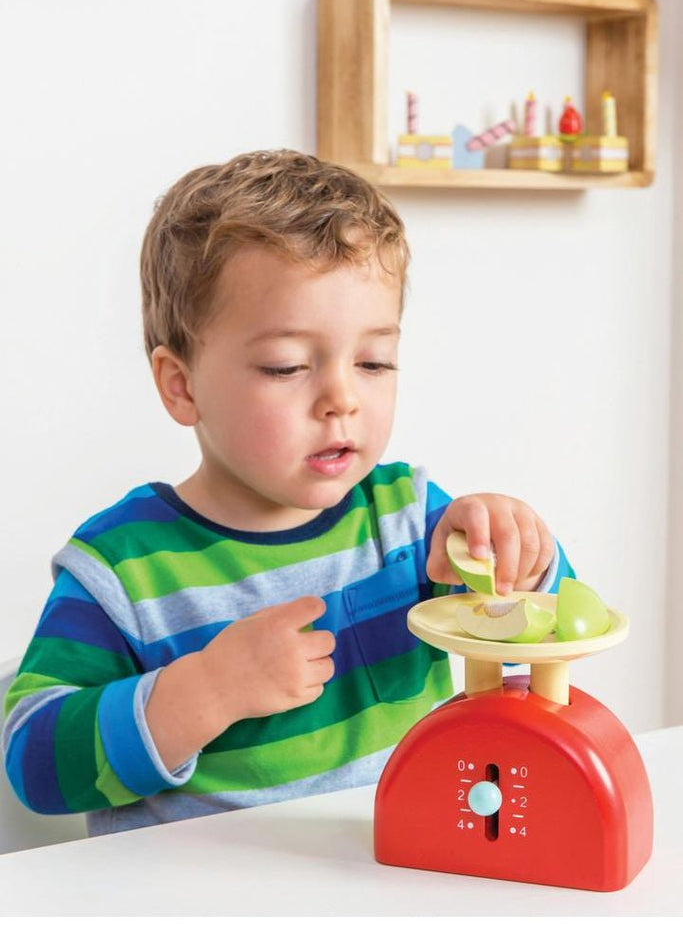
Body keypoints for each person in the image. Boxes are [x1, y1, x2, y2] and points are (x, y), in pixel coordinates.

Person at [2, 150, 574, 836]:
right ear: (181, 385)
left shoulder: (408, 522)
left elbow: (534, 648)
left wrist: (518, 554)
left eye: (373, 362)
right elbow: (32, 765)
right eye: (287, 366)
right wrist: (203, 692)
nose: (341, 399)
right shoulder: (124, 565)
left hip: (396, 880)